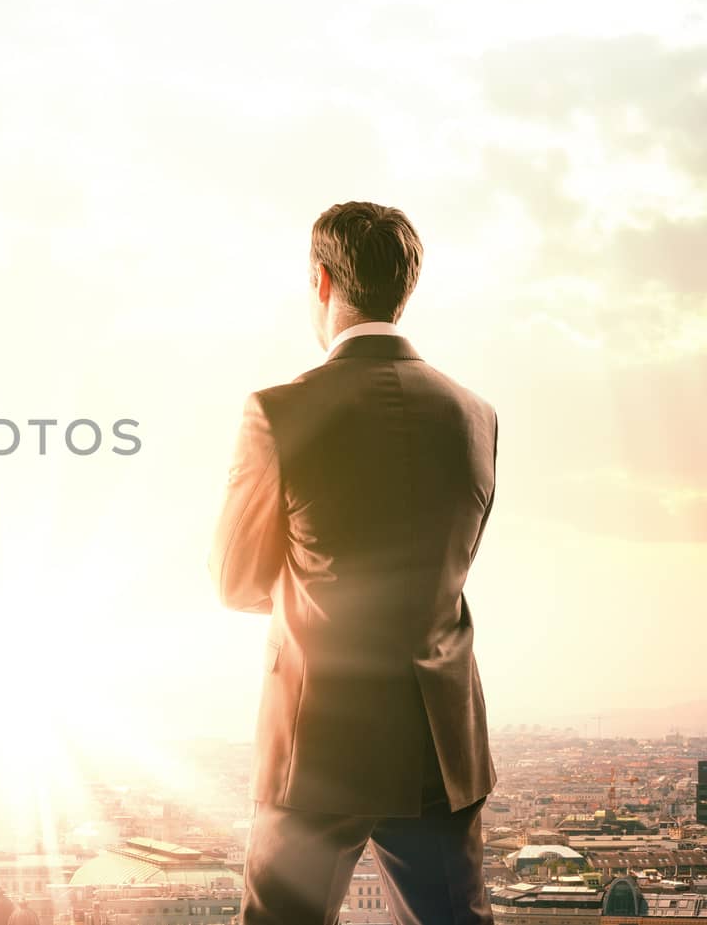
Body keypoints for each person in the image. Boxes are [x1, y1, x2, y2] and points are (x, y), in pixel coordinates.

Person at [210, 201, 498, 925]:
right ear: (406, 288)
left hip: (317, 734)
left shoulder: (277, 411)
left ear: (322, 280)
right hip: (439, 735)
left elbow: (235, 580)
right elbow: (453, 561)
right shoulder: (475, 414)